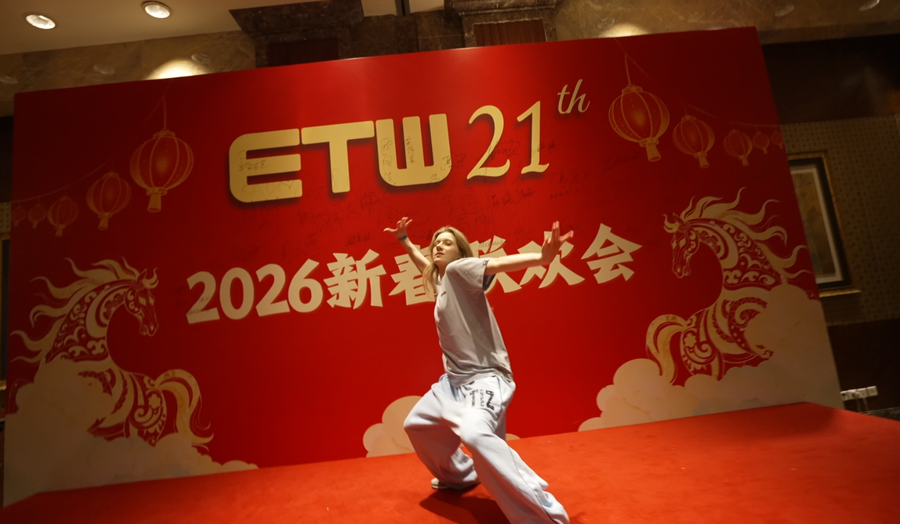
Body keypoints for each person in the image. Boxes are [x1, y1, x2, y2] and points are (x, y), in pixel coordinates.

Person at [384, 217, 571, 524]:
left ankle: (545, 515)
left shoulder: (459, 270)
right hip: (452, 383)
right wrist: (405, 240)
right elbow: (423, 264)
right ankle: (460, 476)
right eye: (435, 243)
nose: (438, 247)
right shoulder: (444, 282)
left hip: (485, 379)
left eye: (447, 243)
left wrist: (541, 258)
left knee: (474, 433)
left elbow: (496, 264)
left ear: (461, 253)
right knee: (417, 424)